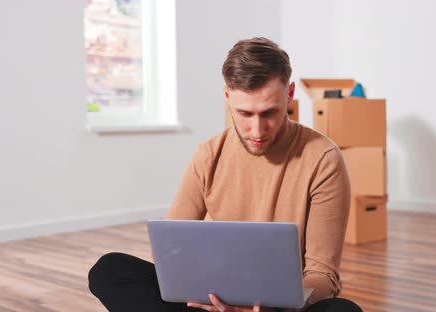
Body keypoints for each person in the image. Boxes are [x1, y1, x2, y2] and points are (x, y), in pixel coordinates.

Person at [88, 37, 362, 312]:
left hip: (280, 308)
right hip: (212, 302)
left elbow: (323, 275)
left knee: (343, 310)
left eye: (270, 113)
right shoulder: (209, 154)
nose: (257, 130)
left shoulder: (323, 159)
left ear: (289, 93)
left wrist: (272, 305)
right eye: (244, 113)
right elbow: (168, 251)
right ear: (227, 96)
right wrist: (205, 292)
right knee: (110, 270)